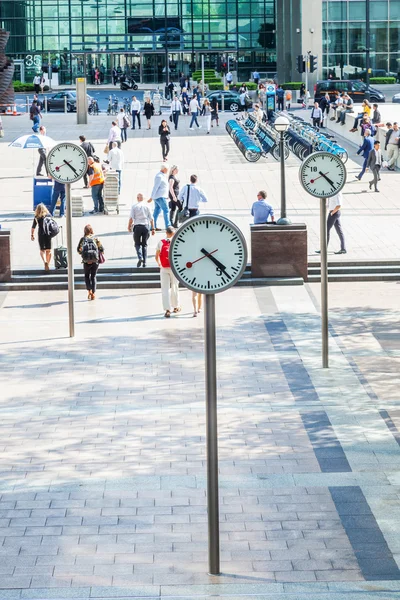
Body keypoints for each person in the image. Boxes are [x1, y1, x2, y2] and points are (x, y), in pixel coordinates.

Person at [155, 226, 181, 318]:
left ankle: (167, 309)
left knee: (165, 289)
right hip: (174, 268)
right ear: (174, 233)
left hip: (164, 268)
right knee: (175, 287)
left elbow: (157, 255)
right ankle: (176, 306)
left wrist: (159, 264)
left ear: (166, 233)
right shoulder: (176, 242)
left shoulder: (161, 242)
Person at [77, 224, 104, 301]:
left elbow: (78, 250)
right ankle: (94, 293)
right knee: (93, 276)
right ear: (91, 230)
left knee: (86, 276)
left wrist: (83, 254)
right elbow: (101, 248)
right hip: (95, 261)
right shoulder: (95, 238)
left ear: (85, 231)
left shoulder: (83, 239)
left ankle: (89, 291)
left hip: (86, 261)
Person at [128, 193, 155, 268]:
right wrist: (153, 228)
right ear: (144, 199)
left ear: (137, 198)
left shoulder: (134, 206)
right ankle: (145, 262)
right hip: (145, 226)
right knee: (144, 244)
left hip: (137, 226)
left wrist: (129, 226)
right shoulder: (147, 206)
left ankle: (140, 257)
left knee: (137, 243)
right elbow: (151, 219)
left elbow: (131, 218)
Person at [31, 203, 53, 271]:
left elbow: (33, 227)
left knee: (42, 250)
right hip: (48, 234)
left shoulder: (36, 217)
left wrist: (32, 235)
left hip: (41, 234)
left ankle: (45, 262)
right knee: (48, 251)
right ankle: (48, 263)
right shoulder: (49, 216)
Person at [149, 165, 170, 230]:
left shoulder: (162, 176)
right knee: (166, 210)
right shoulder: (159, 176)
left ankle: (153, 226)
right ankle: (168, 226)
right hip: (160, 196)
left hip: (161, 196)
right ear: (163, 169)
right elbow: (155, 187)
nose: (168, 170)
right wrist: (151, 197)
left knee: (157, 211)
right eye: (167, 169)